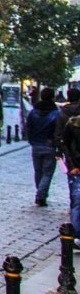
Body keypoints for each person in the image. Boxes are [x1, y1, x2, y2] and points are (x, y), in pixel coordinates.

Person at [26, 86, 59, 206]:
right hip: (49, 145)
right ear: (52, 97)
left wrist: (31, 140)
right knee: (48, 172)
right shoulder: (56, 113)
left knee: (38, 171)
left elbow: (28, 127)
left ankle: (40, 192)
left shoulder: (33, 112)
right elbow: (58, 130)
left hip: (36, 144)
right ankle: (41, 195)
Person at [61, 103, 80, 242]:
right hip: (76, 169)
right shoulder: (73, 124)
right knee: (77, 202)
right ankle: (77, 236)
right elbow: (65, 145)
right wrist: (71, 165)